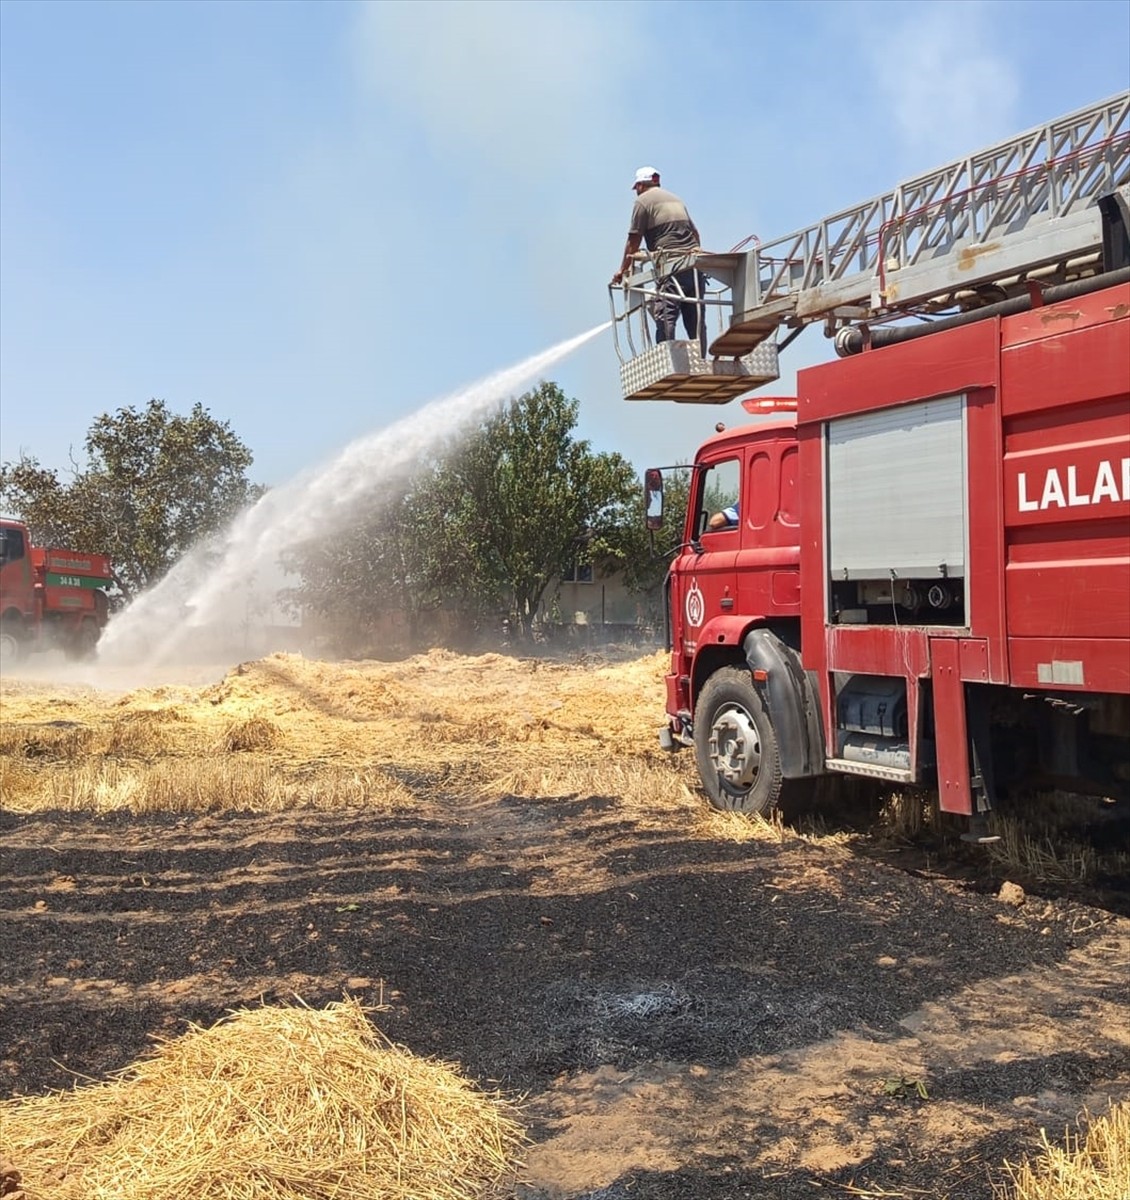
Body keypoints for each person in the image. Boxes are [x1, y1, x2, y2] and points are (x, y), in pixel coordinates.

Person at [611, 167, 708, 353]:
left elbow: (633, 241)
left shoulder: (642, 202)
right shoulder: (675, 198)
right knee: (695, 317)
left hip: (670, 266)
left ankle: (667, 359)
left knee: (665, 314)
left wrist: (622, 270)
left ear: (640, 185)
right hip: (694, 265)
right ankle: (701, 359)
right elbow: (695, 233)